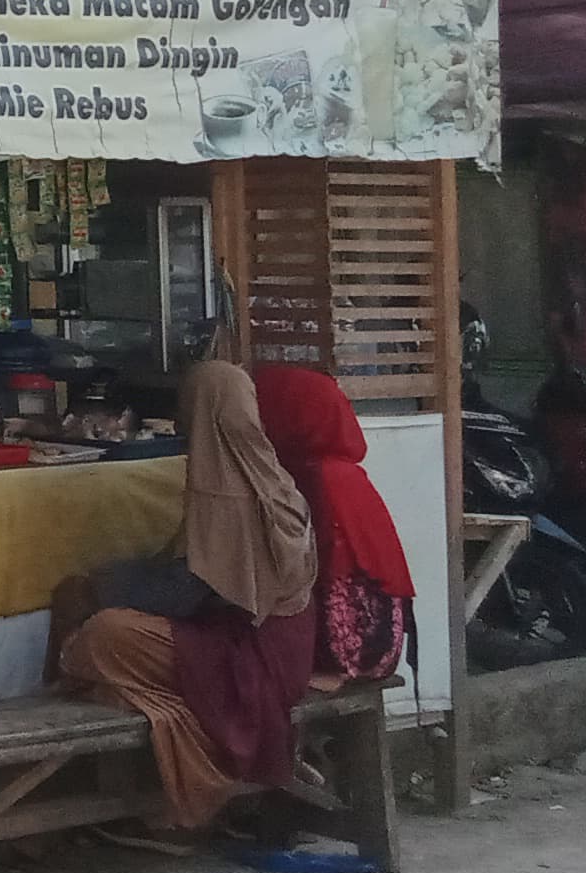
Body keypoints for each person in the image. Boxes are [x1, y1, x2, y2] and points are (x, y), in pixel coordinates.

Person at [47, 358, 318, 835]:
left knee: (104, 632)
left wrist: (107, 589)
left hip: (249, 660)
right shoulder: (267, 476)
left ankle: (72, 756)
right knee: (83, 597)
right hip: (267, 646)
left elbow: (188, 592)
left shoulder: (230, 496)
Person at [256, 364, 414, 684]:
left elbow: (318, 574)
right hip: (380, 646)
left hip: (348, 653)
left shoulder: (317, 478)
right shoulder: (342, 473)